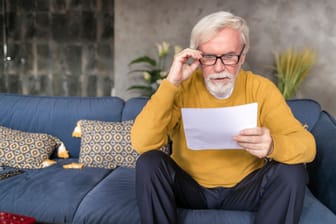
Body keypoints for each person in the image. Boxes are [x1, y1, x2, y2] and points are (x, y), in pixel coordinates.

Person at [131, 11, 316, 224]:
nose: (219, 68)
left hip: (245, 190)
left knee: (293, 172)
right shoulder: (181, 88)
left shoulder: (261, 89)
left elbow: (308, 147)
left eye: (229, 56)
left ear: (243, 56)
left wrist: (273, 145)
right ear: (197, 57)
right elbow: (142, 143)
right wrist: (171, 84)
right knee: (149, 162)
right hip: (190, 189)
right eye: (209, 57)